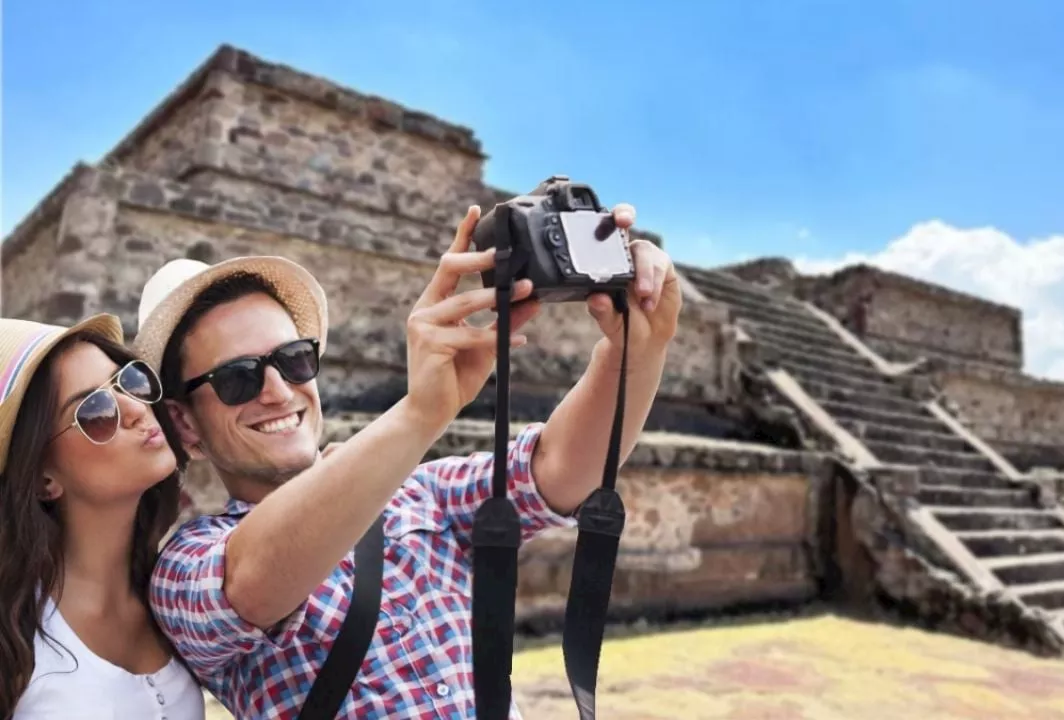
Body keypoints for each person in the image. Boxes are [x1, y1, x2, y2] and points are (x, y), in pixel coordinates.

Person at [138, 202, 681, 719]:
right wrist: (421, 411)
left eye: (294, 359)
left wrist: (636, 347)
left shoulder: (420, 492)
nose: (279, 391)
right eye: (238, 378)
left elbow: (559, 471)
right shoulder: (183, 568)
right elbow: (253, 579)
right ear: (185, 423)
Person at [0, 314, 206, 720]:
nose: (135, 409)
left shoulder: (179, 594)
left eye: (128, 381)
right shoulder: (12, 640)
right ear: (44, 479)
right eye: (95, 411)